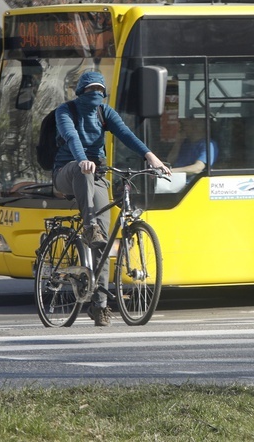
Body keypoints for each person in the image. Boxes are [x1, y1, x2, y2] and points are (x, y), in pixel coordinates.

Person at [52, 70, 171, 327]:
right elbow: (71, 136)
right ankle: (89, 225)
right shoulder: (65, 111)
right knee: (81, 170)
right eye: (89, 90)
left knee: (103, 246)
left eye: (99, 91)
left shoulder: (105, 113)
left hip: (96, 175)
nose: (94, 95)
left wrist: (151, 157)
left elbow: (126, 134)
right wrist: (82, 158)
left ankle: (100, 306)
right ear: (80, 91)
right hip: (67, 172)